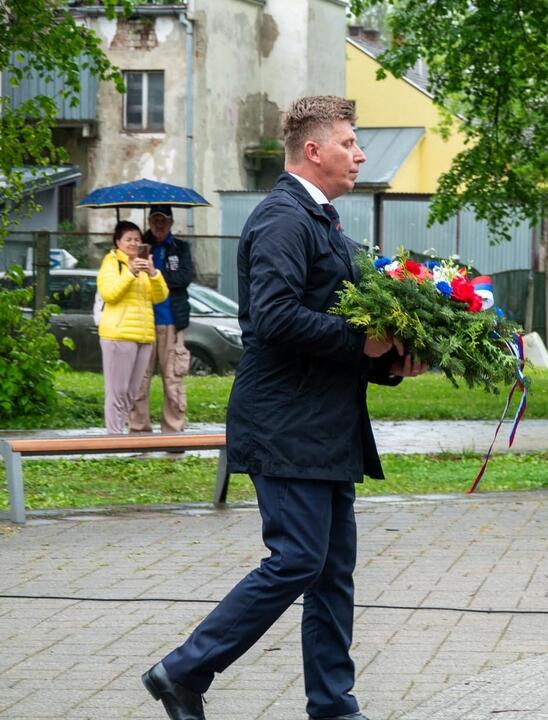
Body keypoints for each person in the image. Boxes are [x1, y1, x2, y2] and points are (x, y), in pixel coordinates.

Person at [141, 96, 427, 720]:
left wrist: (389, 361)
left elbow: (334, 330)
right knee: (298, 558)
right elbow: (273, 318)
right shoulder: (281, 218)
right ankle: (183, 669)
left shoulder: (323, 223)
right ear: (314, 151)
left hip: (325, 426)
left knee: (331, 572)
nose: (360, 154)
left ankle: (333, 706)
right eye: (349, 142)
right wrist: (360, 343)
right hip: (286, 424)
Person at [97, 220, 169, 434]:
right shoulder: (112, 263)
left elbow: (160, 296)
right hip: (119, 335)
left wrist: (153, 273)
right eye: (128, 239)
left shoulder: (144, 263)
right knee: (117, 391)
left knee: (131, 393)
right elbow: (109, 293)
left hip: (144, 336)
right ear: (117, 242)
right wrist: (130, 272)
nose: (133, 243)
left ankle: (119, 436)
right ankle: (114, 439)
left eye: (137, 239)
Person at [130, 204, 194, 435]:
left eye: (163, 220)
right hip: (142, 321)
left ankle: (173, 433)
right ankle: (138, 431)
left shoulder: (180, 247)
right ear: (148, 221)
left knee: (173, 378)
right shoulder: (139, 245)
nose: (159, 224)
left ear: (171, 222)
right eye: (155, 219)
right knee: (140, 378)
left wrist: (156, 273)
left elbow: (184, 278)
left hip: (172, 322)